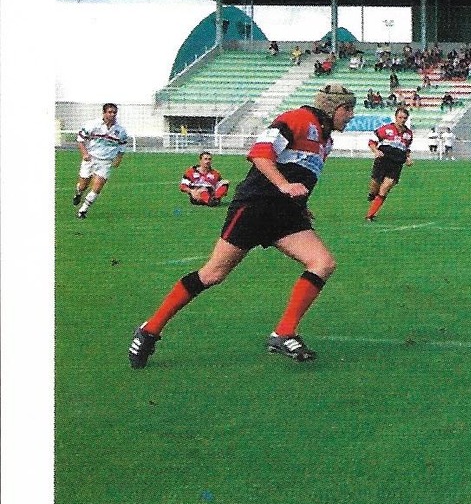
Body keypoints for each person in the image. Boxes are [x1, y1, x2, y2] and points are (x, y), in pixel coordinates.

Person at [128, 84, 357, 368]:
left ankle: (284, 332)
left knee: (323, 263)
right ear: (333, 108)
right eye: (348, 109)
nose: (350, 116)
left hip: (285, 214)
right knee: (212, 274)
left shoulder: (326, 140)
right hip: (255, 207)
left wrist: (301, 204)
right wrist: (284, 185)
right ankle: (149, 330)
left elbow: (299, 173)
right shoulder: (297, 118)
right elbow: (260, 154)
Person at [73, 103, 131, 219]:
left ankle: (83, 210)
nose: (112, 114)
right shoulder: (92, 125)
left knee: (97, 187)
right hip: (90, 159)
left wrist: (118, 159)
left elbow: (122, 146)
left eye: (114, 112)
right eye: (110, 112)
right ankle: (78, 193)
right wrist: (85, 154)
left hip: (105, 162)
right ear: (104, 113)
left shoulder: (120, 131)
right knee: (83, 185)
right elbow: (80, 140)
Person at [366, 106, 413, 221]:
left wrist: (408, 158)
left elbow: (406, 149)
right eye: (400, 117)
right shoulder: (386, 129)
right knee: (375, 185)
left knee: (385, 187)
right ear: (396, 117)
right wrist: (376, 151)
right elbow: (372, 141)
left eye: (405, 118)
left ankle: (370, 215)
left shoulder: (409, 134)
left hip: (396, 163)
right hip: (383, 160)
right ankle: (373, 195)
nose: (402, 120)